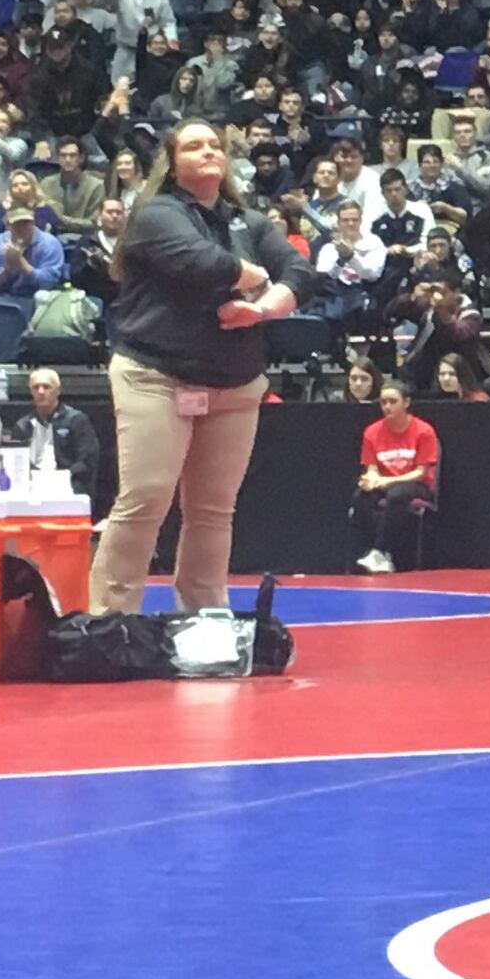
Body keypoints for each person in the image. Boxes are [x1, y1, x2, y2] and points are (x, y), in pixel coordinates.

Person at [94, 118, 299, 620]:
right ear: (173, 161)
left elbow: (302, 271)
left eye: (215, 144)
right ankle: (109, 618)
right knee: (145, 499)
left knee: (213, 510)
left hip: (234, 382)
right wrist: (251, 275)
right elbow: (199, 261)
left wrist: (263, 307)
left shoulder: (247, 220)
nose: (208, 151)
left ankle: (205, 614)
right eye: (194, 146)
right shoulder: (155, 212)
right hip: (155, 375)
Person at [353, 377, 441, 572]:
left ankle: (380, 551)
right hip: (385, 482)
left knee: (397, 495)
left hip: (417, 484)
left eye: (393, 402)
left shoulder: (424, 431)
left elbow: (420, 473)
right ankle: (378, 552)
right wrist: (371, 479)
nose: (387, 407)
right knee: (361, 496)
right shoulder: (371, 432)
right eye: (383, 402)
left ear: (406, 403)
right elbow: (372, 467)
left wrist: (386, 481)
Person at [9, 366, 106, 509]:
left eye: (46, 387)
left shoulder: (77, 420)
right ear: (30, 391)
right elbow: (17, 464)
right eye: (36, 387)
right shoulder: (22, 426)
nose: (41, 392)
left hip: (69, 486)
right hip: (33, 488)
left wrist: (57, 479)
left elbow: (87, 461)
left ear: (58, 391)